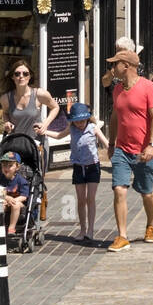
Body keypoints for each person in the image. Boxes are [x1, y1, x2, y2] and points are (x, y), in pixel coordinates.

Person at [104, 49, 153, 251]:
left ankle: (151, 224)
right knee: (119, 189)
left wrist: (152, 144)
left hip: (144, 151)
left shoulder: (148, 88)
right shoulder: (117, 89)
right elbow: (114, 118)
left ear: (126, 66)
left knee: (146, 193)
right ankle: (122, 236)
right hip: (122, 149)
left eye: (115, 64)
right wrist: (111, 144)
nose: (112, 68)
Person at [41, 102, 108, 243]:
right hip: (78, 167)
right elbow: (59, 136)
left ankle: (90, 230)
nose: (80, 124)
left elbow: (107, 144)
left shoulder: (93, 128)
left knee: (90, 198)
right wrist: (45, 131)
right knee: (81, 200)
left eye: (82, 121)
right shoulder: (72, 129)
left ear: (87, 119)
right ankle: (83, 230)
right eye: (77, 121)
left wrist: (117, 154)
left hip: (93, 167)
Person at [0, 60, 59, 154]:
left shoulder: (39, 94)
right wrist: (7, 122)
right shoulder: (5, 98)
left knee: (37, 169)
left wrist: (45, 125)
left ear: (30, 76)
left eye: (25, 74)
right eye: (17, 74)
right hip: (16, 145)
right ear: (12, 77)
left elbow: (55, 107)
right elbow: (5, 113)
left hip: (37, 144)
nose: (21, 76)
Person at [0, 151, 32, 235]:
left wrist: (13, 200)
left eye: (10, 166)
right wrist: (7, 198)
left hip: (19, 203)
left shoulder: (21, 180)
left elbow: (24, 196)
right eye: (4, 166)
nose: (6, 168)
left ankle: (11, 227)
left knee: (15, 205)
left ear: (17, 167)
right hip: (5, 201)